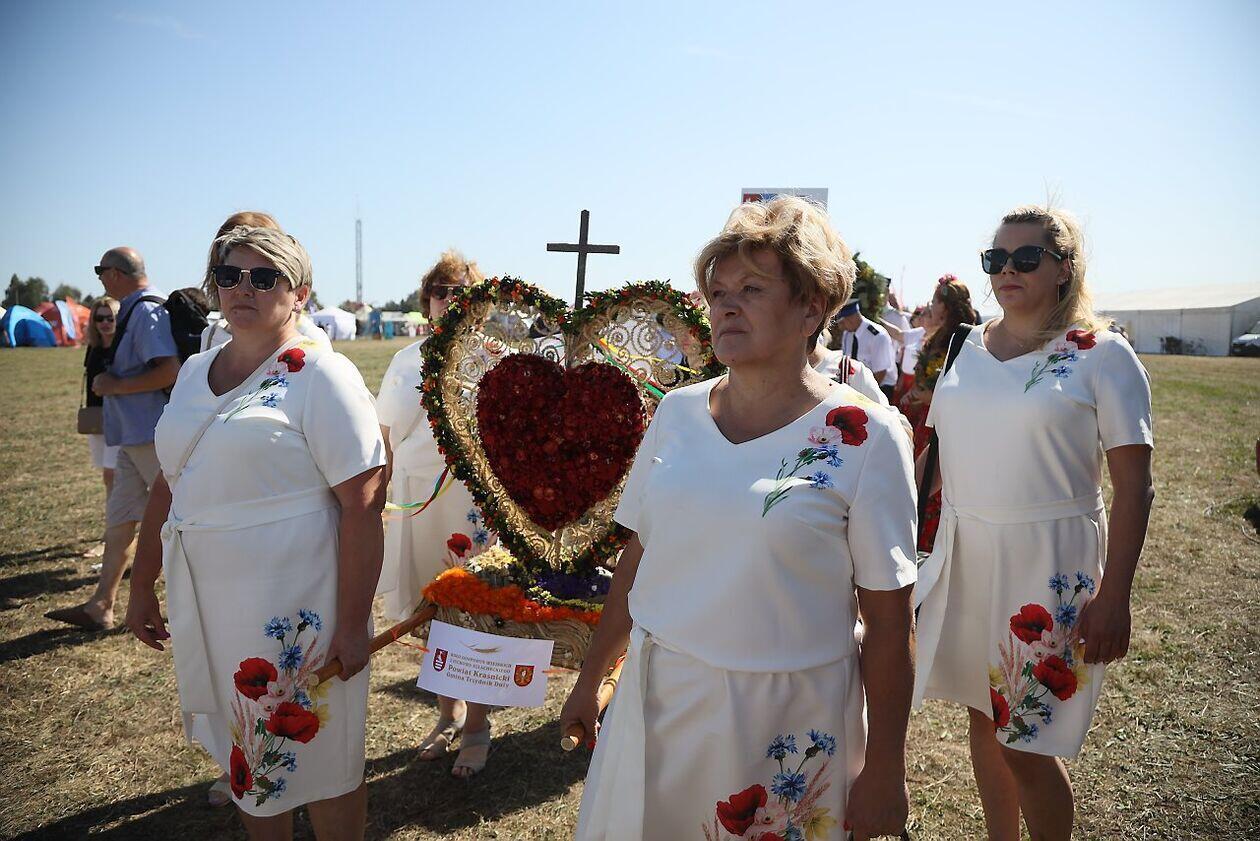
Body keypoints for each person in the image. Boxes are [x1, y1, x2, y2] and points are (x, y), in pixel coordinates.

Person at [562, 197, 917, 841]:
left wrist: (886, 767)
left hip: (785, 725)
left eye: (751, 289)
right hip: (660, 703)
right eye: (718, 291)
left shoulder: (866, 436)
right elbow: (639, 557)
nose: (726, 306)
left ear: (811, 306)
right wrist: (591, 680)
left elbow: (890, 622)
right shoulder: (676, 413)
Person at [125, 226, 385, 839]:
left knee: (324, 764)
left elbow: (362, 507)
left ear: (300, 293)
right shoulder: (194, 371)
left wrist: (353, 625)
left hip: (299, 607)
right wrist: (141, 583)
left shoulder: (322, 374)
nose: (244, 288)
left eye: (265, 277)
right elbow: (169, 481)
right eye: (230, 275)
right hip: (215, 606)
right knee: (247, 759)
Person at [913, 205, 1155, 841]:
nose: (1007, 271)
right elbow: (938, 456)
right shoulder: (966, 346)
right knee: (983, 716)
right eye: (996, 259)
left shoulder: (1103, 354)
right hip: (967, 555)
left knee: (1024, 740)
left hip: (1050, 564)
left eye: (1026, 258)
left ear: (1063, 268)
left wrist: (1116, 596)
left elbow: (1135, 488)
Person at [375, 249, 498, 779]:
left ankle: (478, 726)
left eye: (461, 292)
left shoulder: (494, 359)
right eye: (441, 292)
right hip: (416, 500)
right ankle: (448, 714)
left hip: (474, 502)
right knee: (430, 608)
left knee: (477, 609)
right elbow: (384, 436)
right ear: (427, 302)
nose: (450, 300)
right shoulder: (406, 361)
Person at [47, 247, 179, 631]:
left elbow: (169, 370)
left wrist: (115, 385)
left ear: (116, 274)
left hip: (150, 435)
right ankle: (101, 605)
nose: (100, 278)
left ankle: (195, 603)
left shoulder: (147, 312)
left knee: (179, 520)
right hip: (132, 436)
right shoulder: (135, 309)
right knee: (120, 520)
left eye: (100, 270)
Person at [897, 275, 978, 552]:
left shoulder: (962, 339)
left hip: (942, 425)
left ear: (947, 305)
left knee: (935, 487)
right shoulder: (937, 335)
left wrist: (926, 396)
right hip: (925, 421)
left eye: (935, 301)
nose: (931, 306)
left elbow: (963, 391)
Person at [200, 212, 332, 352]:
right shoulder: (212, 336)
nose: (242, 290)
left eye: (263, 278)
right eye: (229, 274)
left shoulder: (311, 340)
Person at [80, 297, 121, 558]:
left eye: (110, 317)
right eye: (99, 318)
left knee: (111, 476)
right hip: (96, 419)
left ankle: (111, 538)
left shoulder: (123, 349)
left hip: (119, 420)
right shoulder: (94, 348)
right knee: (108, 477)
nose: (105, 323)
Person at [834, 297, 897, 398]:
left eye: (842, 323)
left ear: (851, 319)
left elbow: (880, 373)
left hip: (879, 389)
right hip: (857, 389)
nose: (841, 327)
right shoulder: (847, 334)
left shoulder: (877, 336)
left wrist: (863, 396)